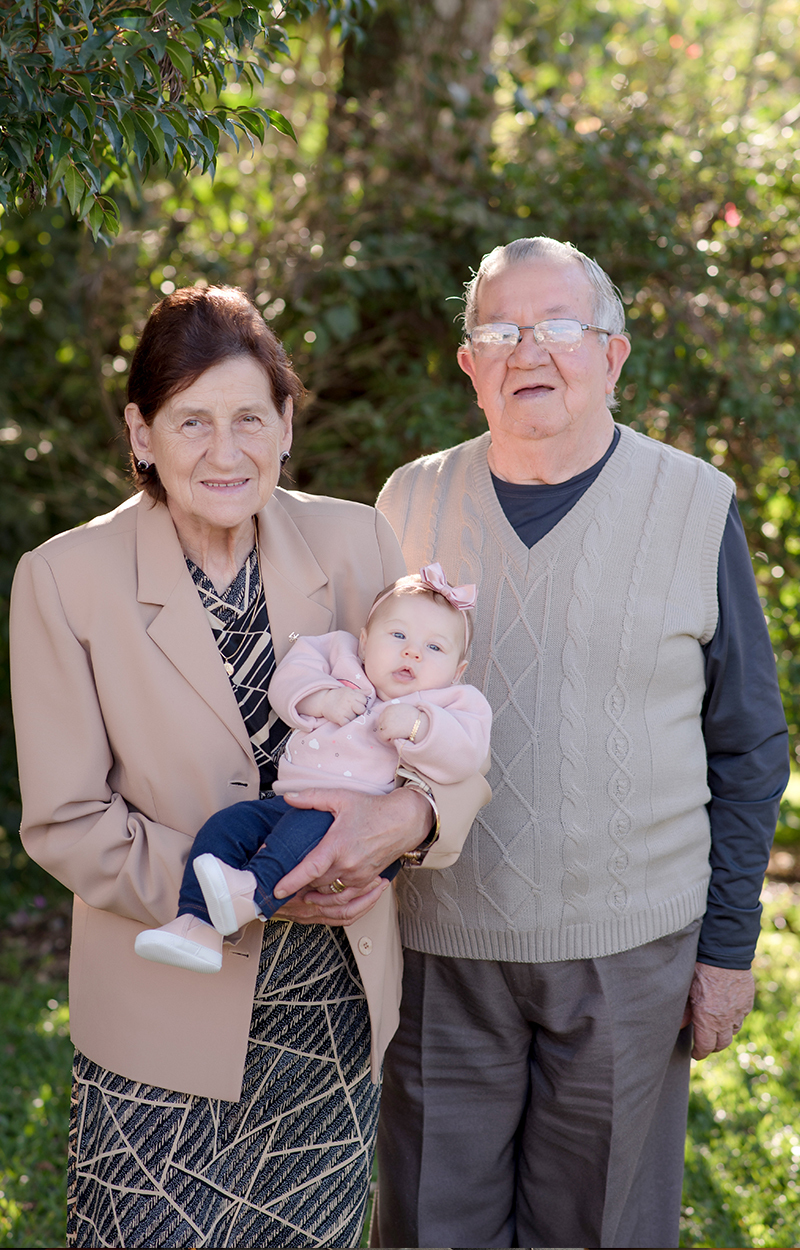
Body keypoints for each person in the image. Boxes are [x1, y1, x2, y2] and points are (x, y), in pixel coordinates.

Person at [9, 286, 490, 1249]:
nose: (223, 453)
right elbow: (67, 819)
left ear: (284, 425)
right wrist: (243, 887)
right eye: (191, 421)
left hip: (330, 1017)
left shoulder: (357, 542)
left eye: (247, 419)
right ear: (142, 433)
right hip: (161, 1019)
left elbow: (449, 736)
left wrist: (412, 821)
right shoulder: (63, 579)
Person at [364, 237, 789, 1248]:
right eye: (499, 330)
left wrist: (725, 947)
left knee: (598, 1227)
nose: (528, 351)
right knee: (429, 1224)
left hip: (627, 954)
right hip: (437, 950)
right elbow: (352, 711)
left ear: (612, 354)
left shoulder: (693, 505)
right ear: (468, 363)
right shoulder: (402, 503)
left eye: (558, 326)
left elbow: (746, 741)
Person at [134, 565, 491, 971]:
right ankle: (195, 924)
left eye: (435, 648)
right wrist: (321, 699)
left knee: (299, 835)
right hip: (289, 800)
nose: (412, 652)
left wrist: (418, 726)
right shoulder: (339, 656)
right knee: (227, 826)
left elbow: (466, 755)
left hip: (355, 824)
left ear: (457, 672)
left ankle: (251, 894)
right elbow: (290, 677)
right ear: (364, 640)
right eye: (398, 636)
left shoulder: (453, 703)